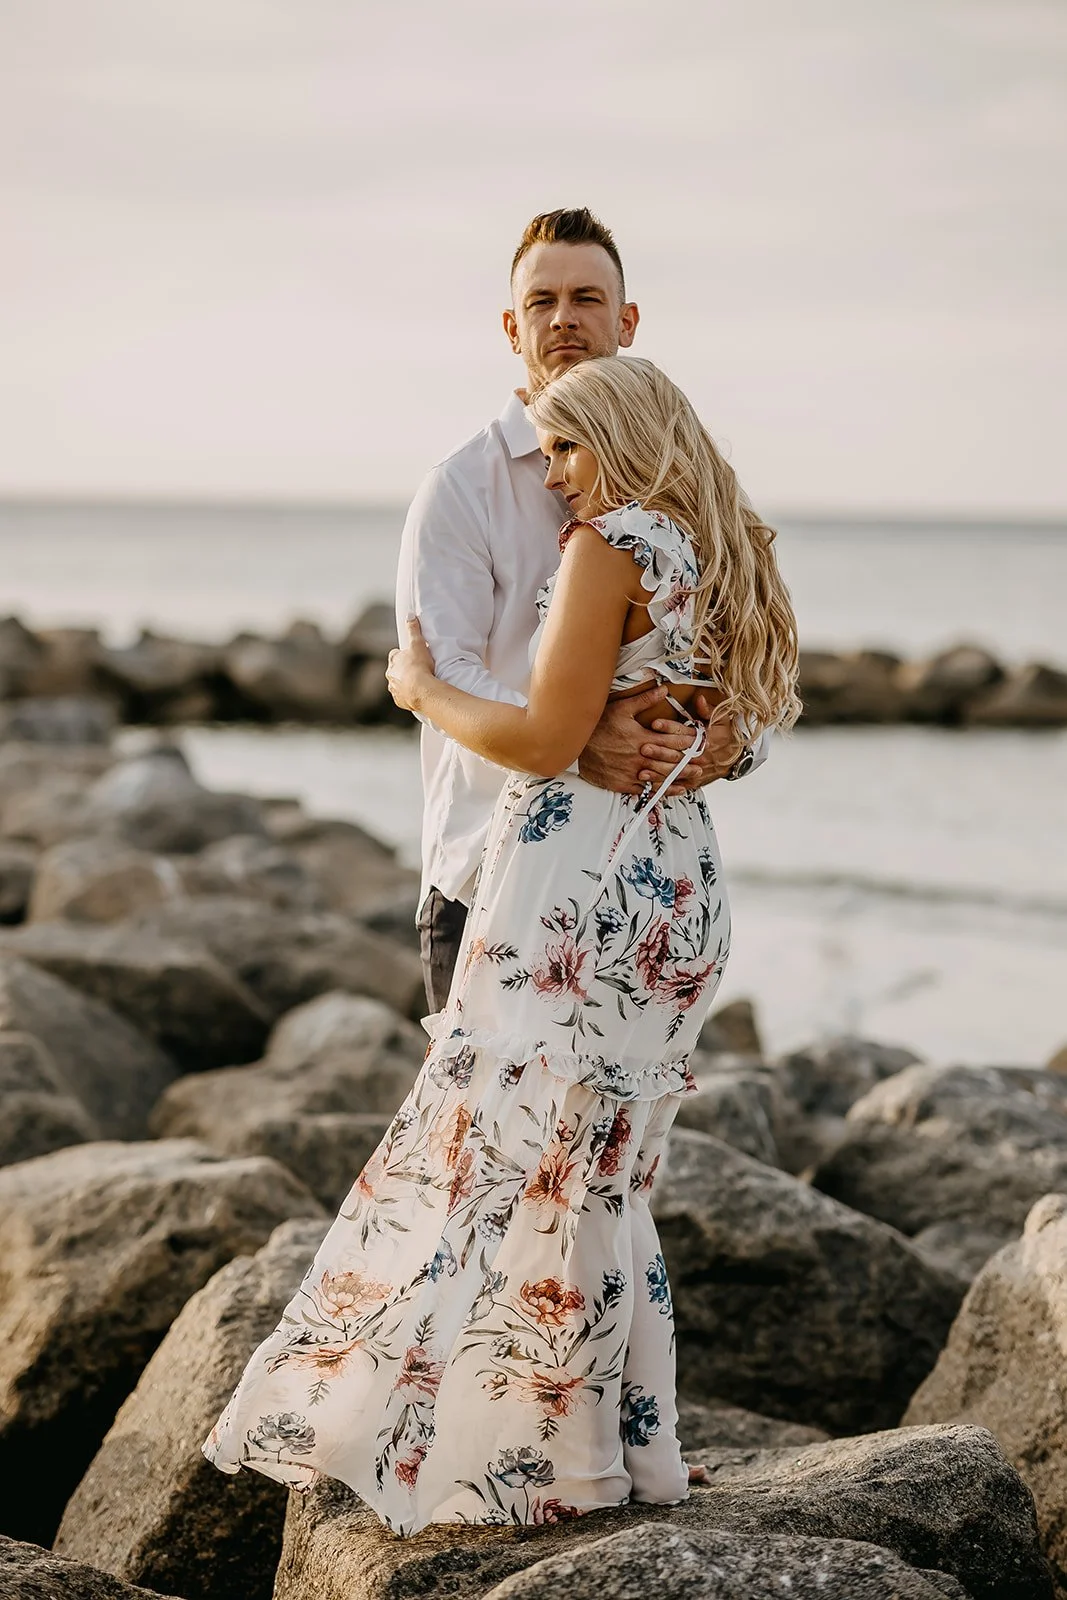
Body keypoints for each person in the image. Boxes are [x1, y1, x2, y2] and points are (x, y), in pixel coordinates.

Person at [202, 354, 800, 1536]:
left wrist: (417, 686)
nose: (559, 478)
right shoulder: (725, 547)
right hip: (674, 891)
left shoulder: (612, 544)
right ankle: (629, 1454)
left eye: (569, 449)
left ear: (621, 435)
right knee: (605, 1172)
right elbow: (740, 729)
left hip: (579, 896)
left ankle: (526, 1455)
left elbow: (537, 739)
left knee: (516, 1161)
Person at [395, 207, 770, 1014]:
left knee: (600, 1138)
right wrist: (571, 745)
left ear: (626, 320)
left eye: (587, 298)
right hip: (493, 872)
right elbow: (447, 666)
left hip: (641, 879)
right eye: (542, 301)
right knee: (491, 1137)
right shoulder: (461, 487)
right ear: (511, 326)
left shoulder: (692, 488)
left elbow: (749, 661)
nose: (564, 318)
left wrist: (728, 744)